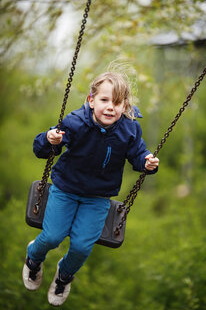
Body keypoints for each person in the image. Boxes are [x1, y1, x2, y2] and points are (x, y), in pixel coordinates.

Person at [22, 70, 159, 306]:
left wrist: (147, 161)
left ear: (124, 105)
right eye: (104, 100)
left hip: (97, 197)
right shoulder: (75, 122)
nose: (110, 107)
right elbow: (42, 150)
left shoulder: (130, 129)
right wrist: (49, 139)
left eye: (117, 103)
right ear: (91, 100)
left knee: (82, 246)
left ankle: (64, 276)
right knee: (53, 236)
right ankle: (34, 257)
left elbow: (137, 153)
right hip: (65, 189)